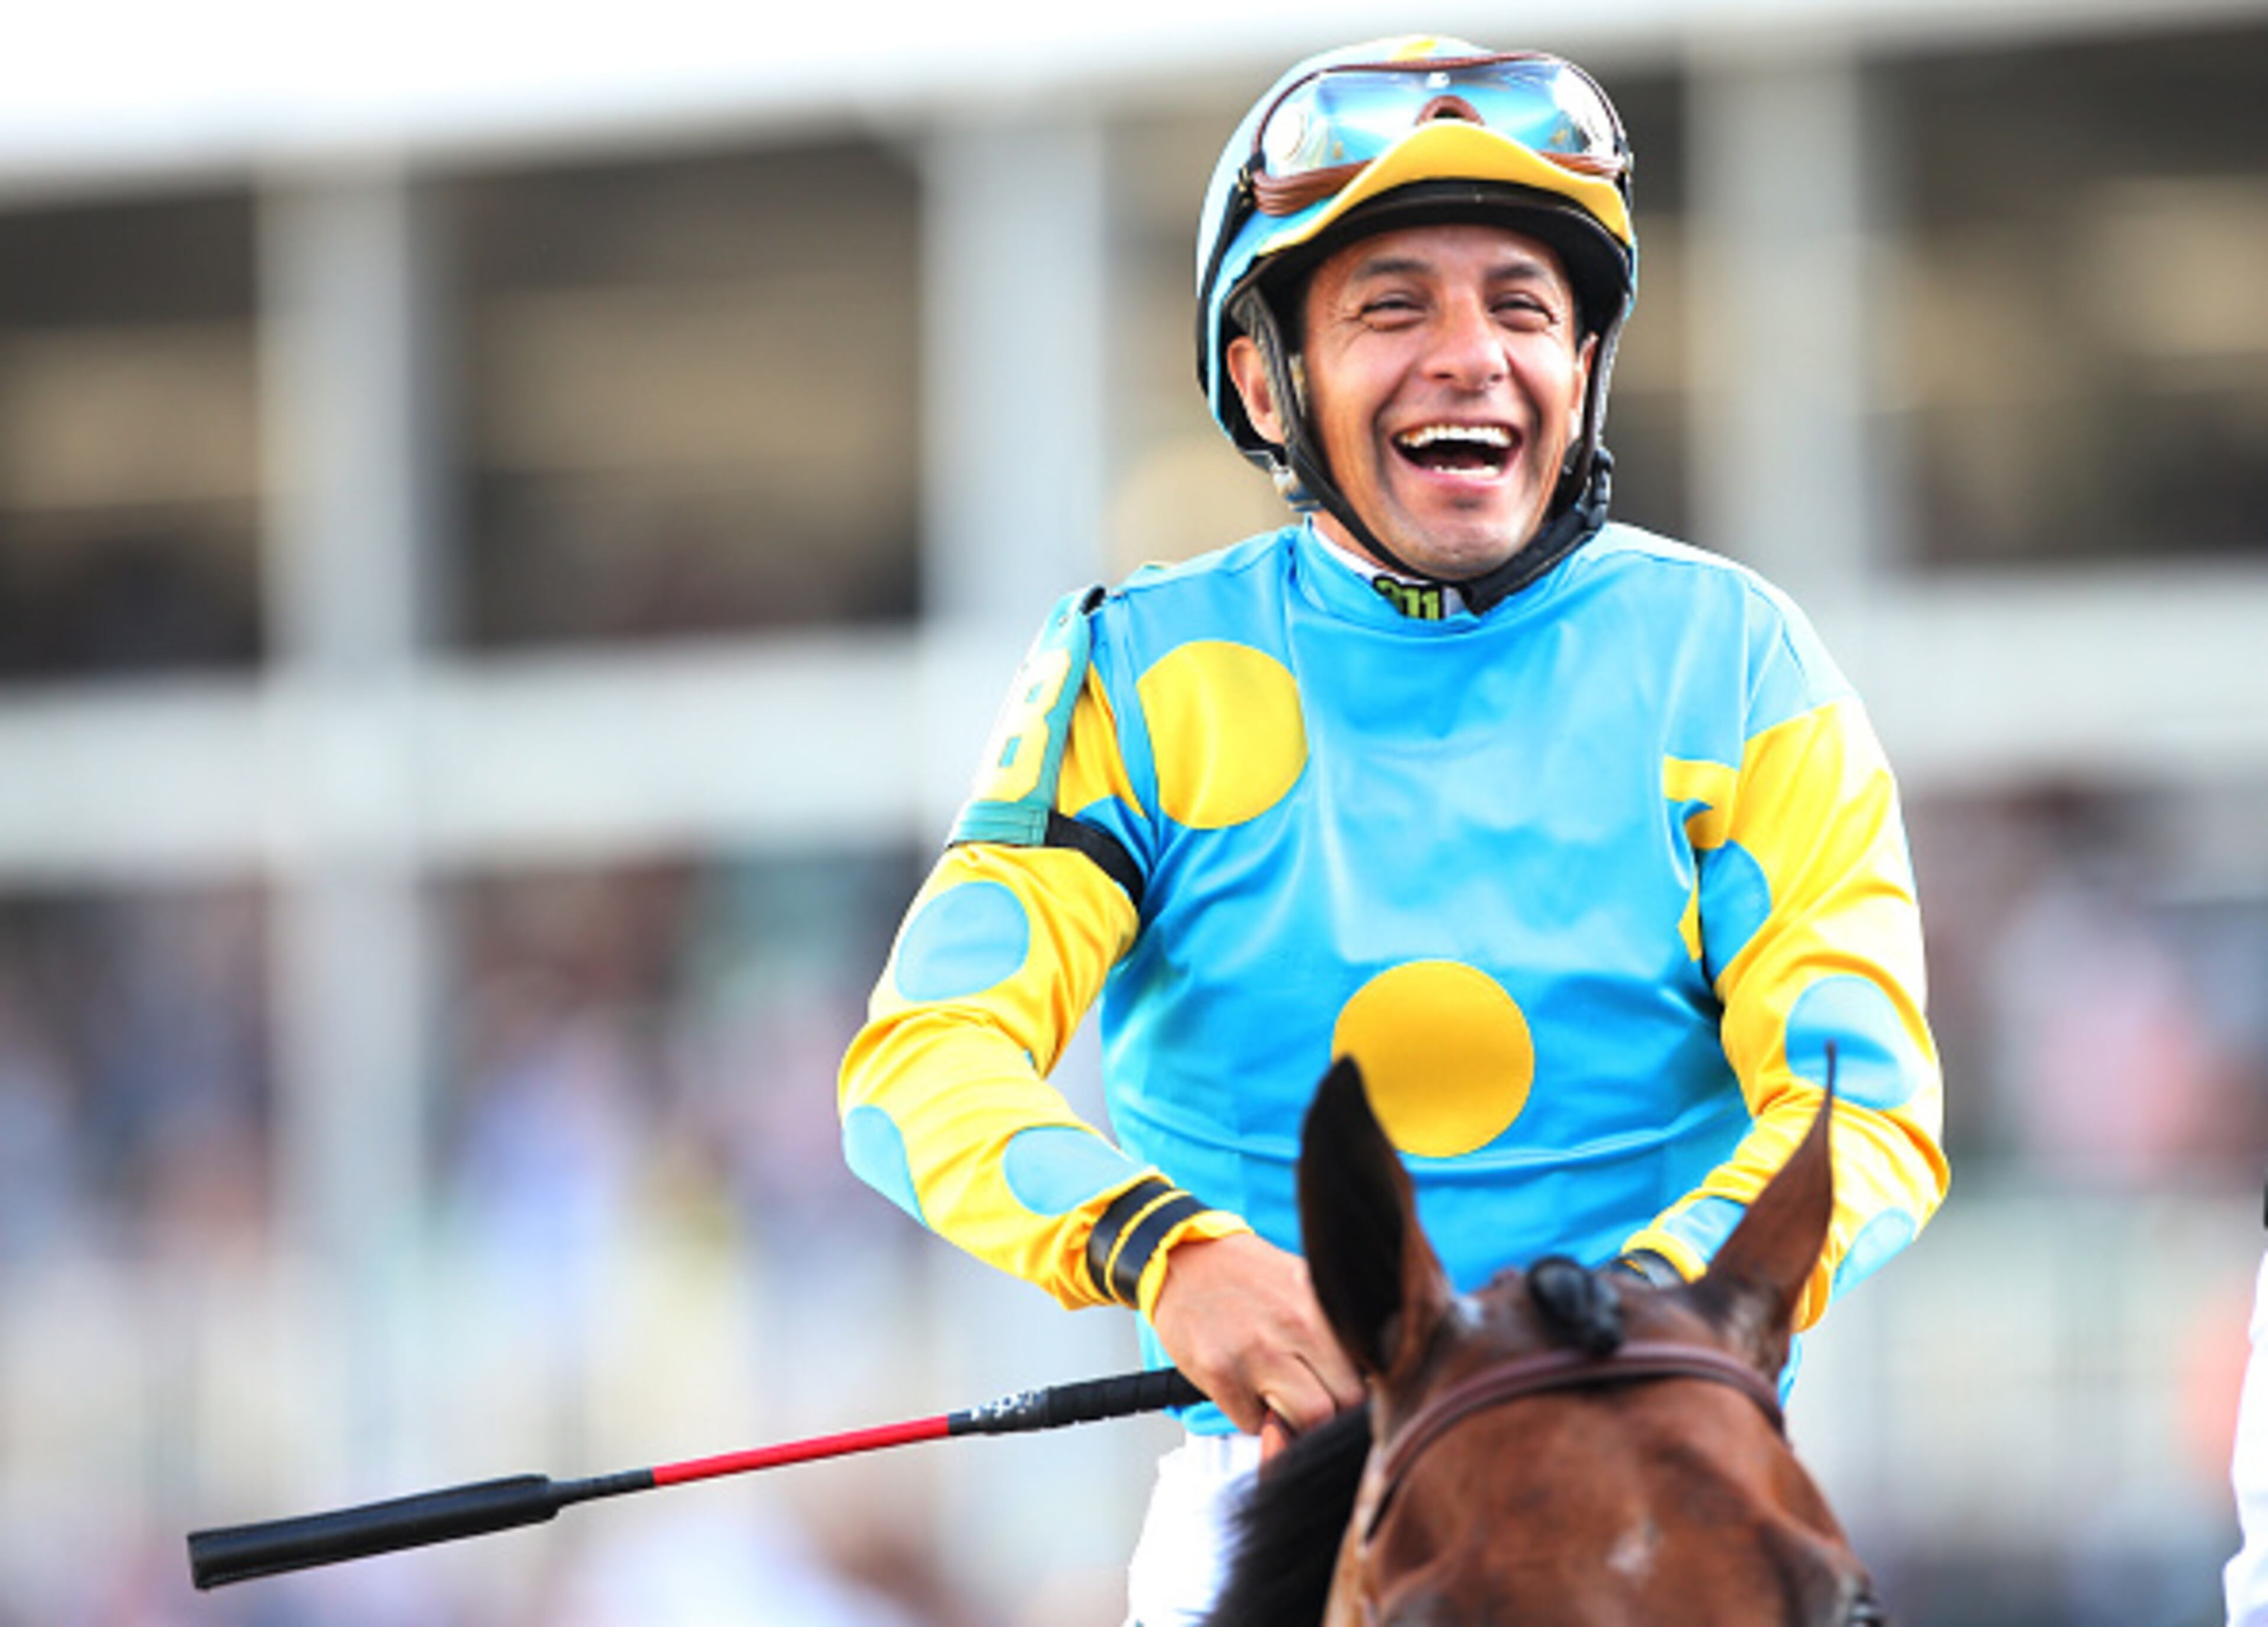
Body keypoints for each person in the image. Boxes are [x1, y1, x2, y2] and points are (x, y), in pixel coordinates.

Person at [838, 34, 1949, 1625]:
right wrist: (1167, 1254)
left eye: (1521, 307)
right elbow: (922, 1058)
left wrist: (1609, 1323)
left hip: (1664, 1451)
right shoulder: (1132, 669)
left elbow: (1868, 1104)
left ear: (1581, 368)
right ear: (1260, 379)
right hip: (1286, 1489)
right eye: (1392, 307)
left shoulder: (1738, 659)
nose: (1470, 356)